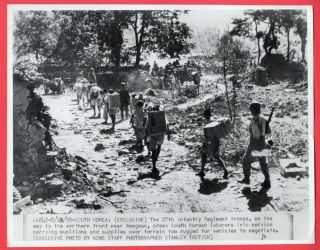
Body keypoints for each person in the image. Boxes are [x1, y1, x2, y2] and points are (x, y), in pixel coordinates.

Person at [238, 102, 272, 188]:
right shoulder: (264, 119)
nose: (250, 111)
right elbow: (269, 132)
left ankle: (246, 179)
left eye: (251, 109)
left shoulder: (253, 121)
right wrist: (267, 141)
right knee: (263, 162)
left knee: (245, 160)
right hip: (263, 143)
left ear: (253, 110)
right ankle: (267, 181)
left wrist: (251, 147)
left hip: (255, 144)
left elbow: (256, 135)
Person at [197, 109, 229, 179]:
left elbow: (207, 135)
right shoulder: (214, 121)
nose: (205, 116)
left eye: (205, 115)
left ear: (205, 115)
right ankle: (202, 171)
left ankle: (225, 170)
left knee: (214, 156)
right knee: (206, 155)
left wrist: (205, 144)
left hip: (210, 142)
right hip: (215, 141)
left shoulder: (208, 123)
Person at [146, 103, 170, 174]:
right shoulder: (162, 115)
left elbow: (147, 126)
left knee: (153, 150)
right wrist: (168, 134)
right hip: (161, 134)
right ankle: (156, 158)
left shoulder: (150, 115)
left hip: (152, 134)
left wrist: (147, 135)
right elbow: (167, 124)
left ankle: (154, 166)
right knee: (159, 146)